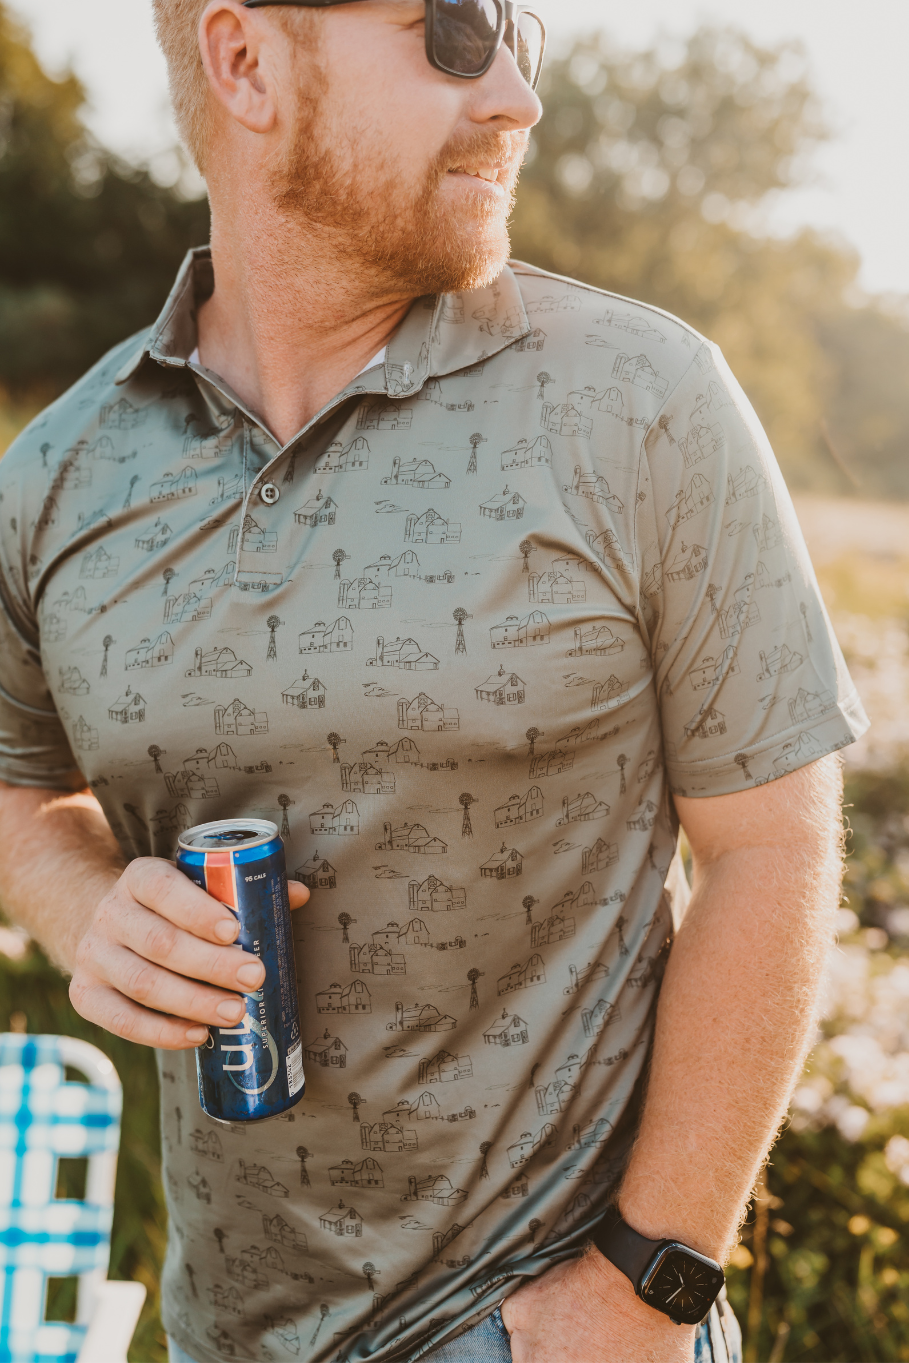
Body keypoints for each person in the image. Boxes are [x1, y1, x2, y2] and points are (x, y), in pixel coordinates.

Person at [0, 2, 867, 1360]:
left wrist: (646, 1290)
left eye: (521, 29)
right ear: (245, 62)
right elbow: (13, 782)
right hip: (217, 1331)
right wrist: (79, 893)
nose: (517, 93)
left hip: (563, 1331)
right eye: (455, 30)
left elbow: (775, 845)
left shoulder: (643, 402)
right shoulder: (56, 477)